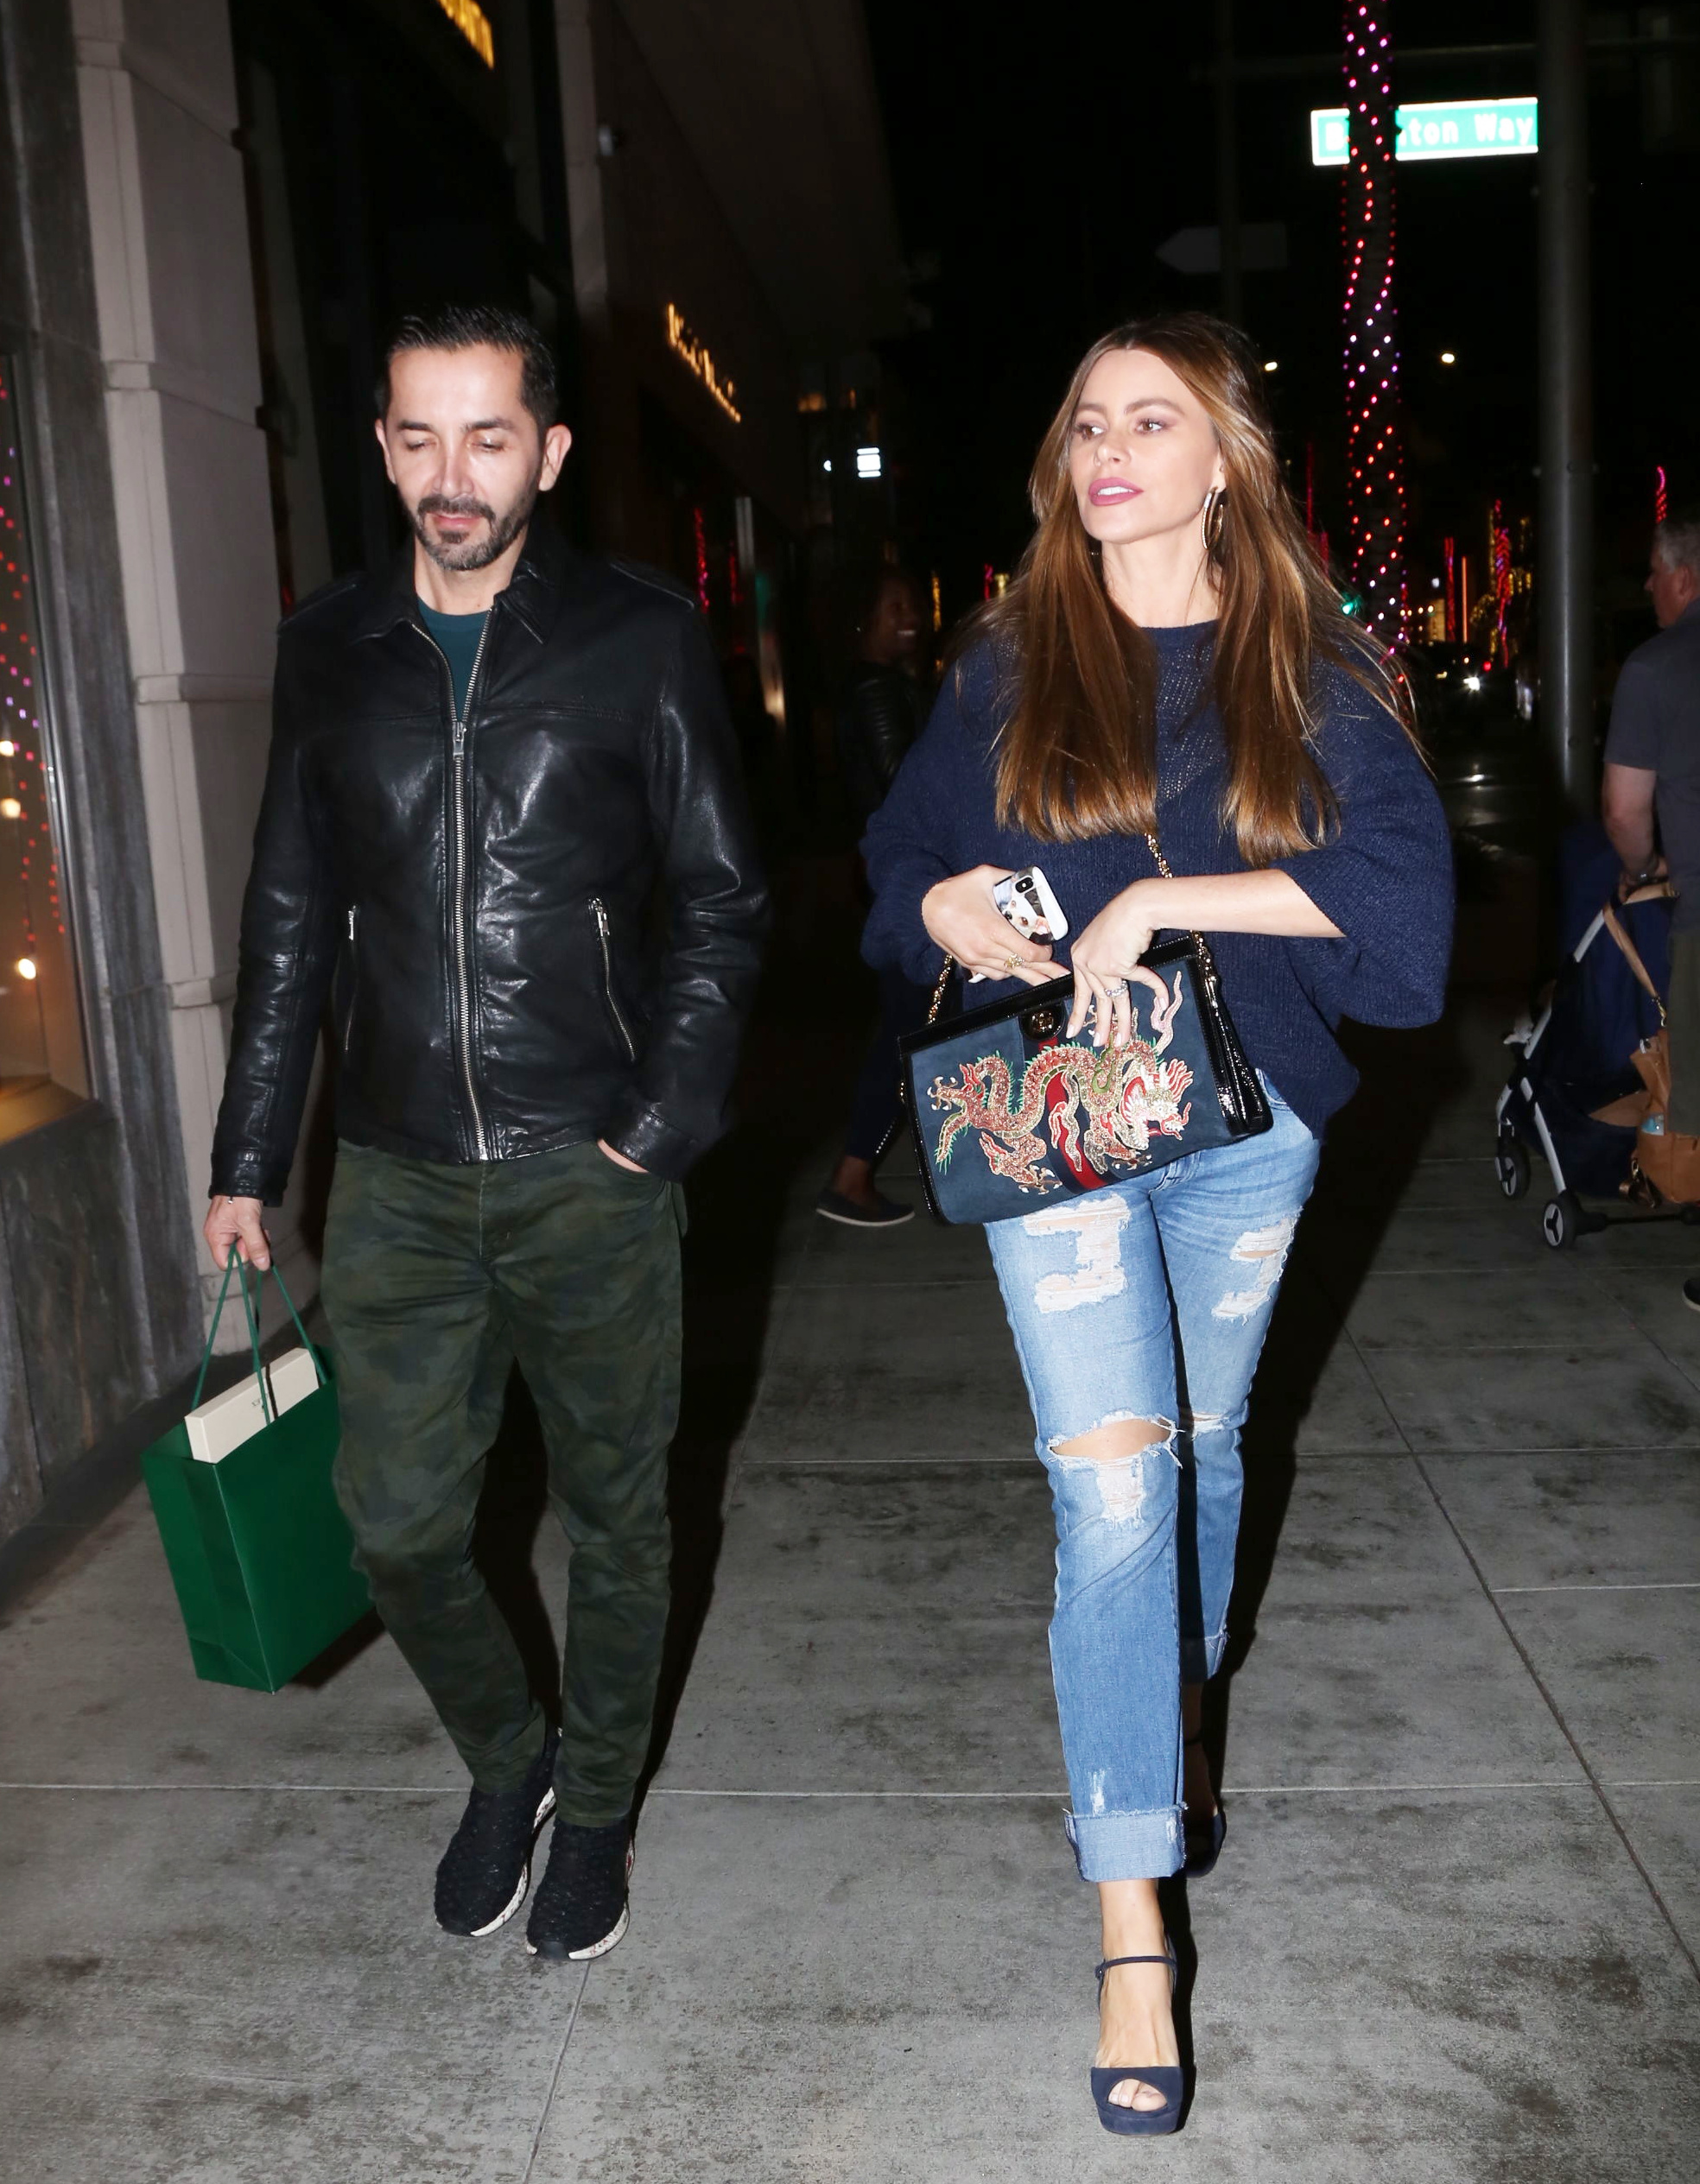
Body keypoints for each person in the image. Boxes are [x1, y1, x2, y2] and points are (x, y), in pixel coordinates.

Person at [862, 312, 1450, 2132]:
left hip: (1245, 1136)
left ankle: (1159, 1706)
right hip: (1054, 1132)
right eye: (1087, 421)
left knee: (1199, 1454)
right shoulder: (1007, 660)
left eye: (1150, 420)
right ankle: (1133, 1922)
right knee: (1112, 1489)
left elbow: (1405, 926)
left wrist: (1167, 900)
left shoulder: (1309, 666)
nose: (1108, 448)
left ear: (1223, 464)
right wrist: (942, 902)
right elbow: (895, 864)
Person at [203, 306, 767, 1963]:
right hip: (394, 1176)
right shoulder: (329, 647)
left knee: (617, 1517)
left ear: (550, 451)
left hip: (589, 1163)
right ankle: (508, 1755)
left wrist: (656, 1124)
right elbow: (286, 919)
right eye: (420, 438)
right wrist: (249, 1157)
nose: (453, 476)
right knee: (395, 1525)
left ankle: (592, 1804)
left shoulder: (638, 637)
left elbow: (724, 900)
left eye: (489, 437)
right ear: (383, 447)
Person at [1601, 510, 1700, 1299]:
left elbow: (1625, 809)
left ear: (1685, 578)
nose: (1648, 586)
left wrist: (1643, 868)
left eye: (1656, 573)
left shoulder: (1655, 669)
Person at [817, 566, 933, 1226]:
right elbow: (903, 785)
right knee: (905, 1028)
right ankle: (852, 1173)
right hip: (906, 883)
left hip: (892, 878)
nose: (910, 615)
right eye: (894, 606)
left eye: (913, 603)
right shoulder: (879, 690)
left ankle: (859, 1170)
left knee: (908, 1024)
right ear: (866, 619)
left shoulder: (879, 685)